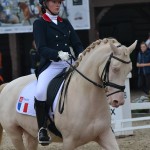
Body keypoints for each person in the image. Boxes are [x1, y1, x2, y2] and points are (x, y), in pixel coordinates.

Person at [33, 0, 84, 146]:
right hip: (52, 64)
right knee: (40, 92)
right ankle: (42, 128)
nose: (57, 5)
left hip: (69, 62)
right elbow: (41, 48)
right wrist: (57, 54)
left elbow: (77, 43)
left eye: (59, 2)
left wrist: (80, 53)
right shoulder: (40, 23)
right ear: (45, 4)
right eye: (54, 2)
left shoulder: (65, 22)